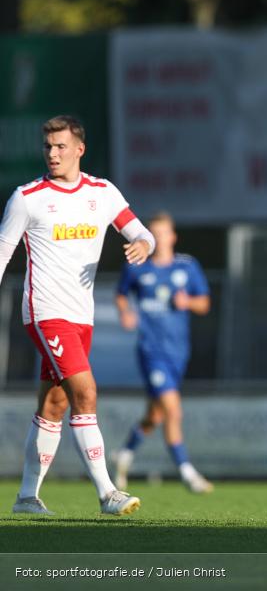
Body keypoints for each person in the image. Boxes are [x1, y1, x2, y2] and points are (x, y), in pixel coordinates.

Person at [0, 115, 155, 515]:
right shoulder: (27, 197)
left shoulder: (102, 193)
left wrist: (143, 245)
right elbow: (2, 253)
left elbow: (142, 232)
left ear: (79, 149)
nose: (53, 154)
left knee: (54, 404)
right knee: (85, 392)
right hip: (45, 312)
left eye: (61, 146)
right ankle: (108, 492)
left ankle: (26, 498)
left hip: (81, 316)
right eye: (48, 147)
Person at [113, 212, 213, 494]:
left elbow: (204, 303)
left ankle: (125, 454)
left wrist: (188, 301)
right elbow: (121, 294)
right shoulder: (137, 267)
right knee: (173, 409)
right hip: (150, 350)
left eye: (162, 232)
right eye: (152, 233)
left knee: (155, 415)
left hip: (178, 352)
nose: (158, 238)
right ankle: (187, 472)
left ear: (172, 237)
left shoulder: (187, 266)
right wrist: (125, 312)